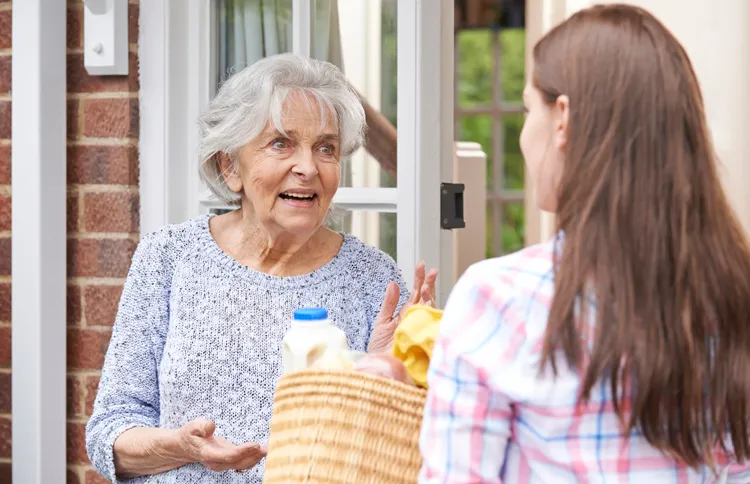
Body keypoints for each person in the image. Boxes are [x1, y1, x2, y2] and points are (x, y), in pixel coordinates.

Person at [419, 4, 750, 483]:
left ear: (563, 119)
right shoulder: (732, 298)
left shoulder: (501, 300)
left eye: (528, 109)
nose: (523, 137)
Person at [86, 53, 438, 483]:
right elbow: (110, 434)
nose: (308, 167)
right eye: (281, 143)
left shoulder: (372, 278)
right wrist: (180, 446)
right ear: (230, 166)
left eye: (325, 148)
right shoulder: (169, 257)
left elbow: (407, 450)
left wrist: (388, 378)